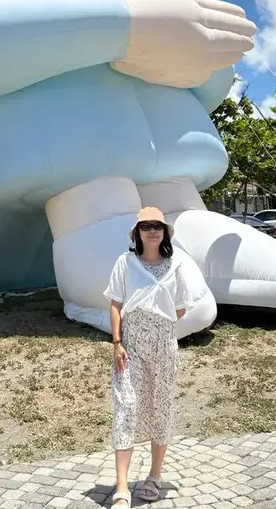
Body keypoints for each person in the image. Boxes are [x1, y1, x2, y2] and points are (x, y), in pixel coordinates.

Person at [103, 206, 195, 507]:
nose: (152, 231)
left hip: (164, 346)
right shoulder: (125, 262)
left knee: (161, 406)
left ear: (165, 232)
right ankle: (121, 486)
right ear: (137, 233)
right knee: (126, 407)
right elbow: (116, 303)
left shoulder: (176, 264)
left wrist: (159, 322)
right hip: (130, 346)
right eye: (146, 226)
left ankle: (155, 476)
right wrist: (117, 341)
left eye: (157, 226)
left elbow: (181, 306)